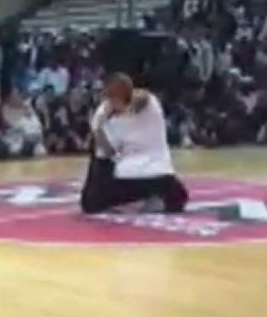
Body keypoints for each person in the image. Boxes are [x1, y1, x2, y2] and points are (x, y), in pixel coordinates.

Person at [80, 73, 189, 214]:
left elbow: (106, 153)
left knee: (93, 200)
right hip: (144, 174)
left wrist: (99, 127)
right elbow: (108, 151)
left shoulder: (145, 105)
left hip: (144, 173)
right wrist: (99, 129)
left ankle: (138, 201)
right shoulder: (112, 116)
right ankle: (148, 199)